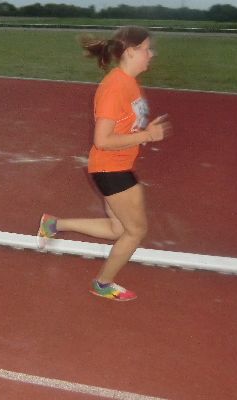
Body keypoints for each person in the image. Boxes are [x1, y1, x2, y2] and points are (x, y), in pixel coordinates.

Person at [37, 26, 172, 302]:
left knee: (118, 229)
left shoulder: (129, 83)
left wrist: (143, 133)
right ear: (131, 51)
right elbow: (102, 140)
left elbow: (124, 127)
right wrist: (147, 136)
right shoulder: (115, 87)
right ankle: (102, 283)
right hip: (111, 168)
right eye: (147, 49)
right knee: (136, 231)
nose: (151, 54)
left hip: (115, 166)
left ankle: (53, 224)